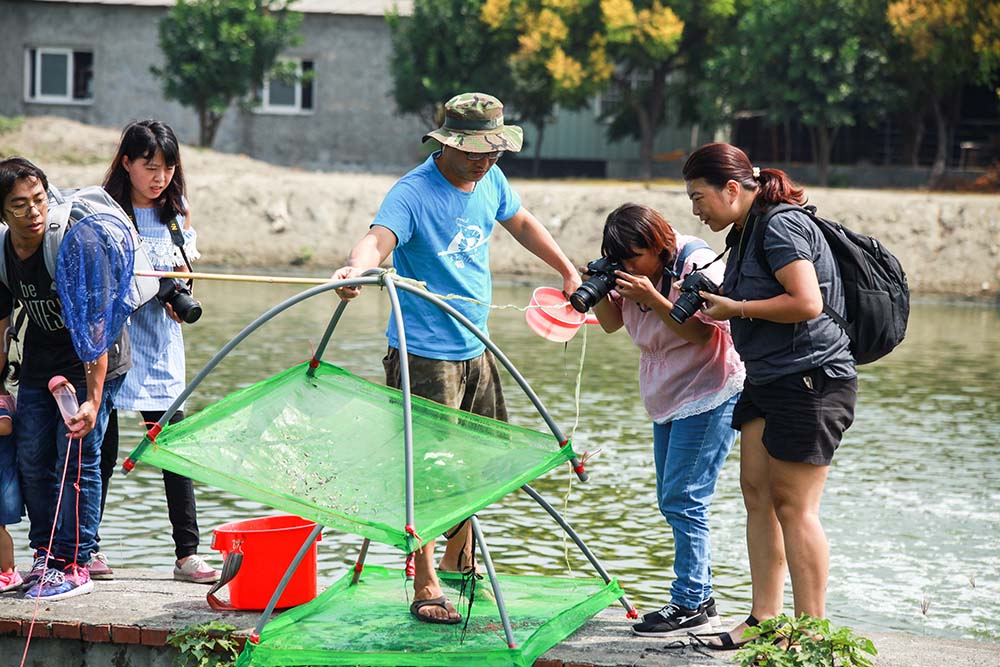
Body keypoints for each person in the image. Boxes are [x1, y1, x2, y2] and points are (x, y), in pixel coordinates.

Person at [332, 92, 581, 624]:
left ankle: (458, 562)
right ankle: (423, 582)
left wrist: (566, 268)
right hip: (424, 353)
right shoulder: (414, 191)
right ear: (445, 142)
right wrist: (354, 269)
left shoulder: (490, 178)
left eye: (493, 151)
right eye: (473, 151)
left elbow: (520, 221)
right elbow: (377, 240)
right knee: (423, 469)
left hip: (477, 345)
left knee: (482, 460)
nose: (484, 160)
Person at [681, 143, 857, 650]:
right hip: (767, 379)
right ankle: (765, 620)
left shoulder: (779, 225)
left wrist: (735, 308)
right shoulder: (746, 230)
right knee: (756, 494)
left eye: (699, 197)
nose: (695, 209)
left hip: (812, 379)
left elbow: (806, 302)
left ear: (732, 189)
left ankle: (809, 633)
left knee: (794, 506)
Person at [586, 203, 744, 638]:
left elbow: (702, 332)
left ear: (659, 247)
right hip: (666, 393)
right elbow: (611, 325)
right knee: (671, 496)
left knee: (684, 498)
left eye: (634, 258)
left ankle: (689, 602)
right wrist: (595, 288)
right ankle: (703, 597)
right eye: (618, 260)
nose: (627, 267)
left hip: (710, 389)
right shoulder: (628, 270)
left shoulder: (693, 262)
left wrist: (652, 298)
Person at [0, 157, 128, 600]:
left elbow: (96, 326)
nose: (33, 211)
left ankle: (75, 563)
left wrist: (93, 401)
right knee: (32, 460)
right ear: (2, 212)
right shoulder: (2, 251)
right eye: (19, 205)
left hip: (96, 358)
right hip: (42, 358)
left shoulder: (74, 244)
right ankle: (46, 555)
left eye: (38, 200)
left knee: (75, 459)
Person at [97, 120, 219, 584]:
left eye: (168, 168)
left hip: (162, 347)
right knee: (101, 452)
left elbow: (186, 269)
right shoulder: (106, 211)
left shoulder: (176, 212)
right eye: (150, 167)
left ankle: (187, 554)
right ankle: (86, 548)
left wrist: (180, 288)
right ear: (126, 163)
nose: (159, 177)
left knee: (172, 451)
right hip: (115, 344)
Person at [0, 357, 22, 592]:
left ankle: (9, 572)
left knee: (0, 528)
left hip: (2, 478)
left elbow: (5, 425)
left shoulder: (2, 401)